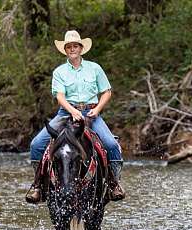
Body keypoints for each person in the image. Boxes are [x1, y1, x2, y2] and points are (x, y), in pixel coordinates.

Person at [25, 30, 126, 204]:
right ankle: (38, 185)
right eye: (69, 46)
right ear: (65, 50)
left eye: (75, 46)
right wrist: (71, 110)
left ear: (81, 48)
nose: (72, 49)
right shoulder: (59, 71)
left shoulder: (95, 68)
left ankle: (113, 183)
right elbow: (60, 97)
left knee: (111, 144)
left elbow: (107, 92)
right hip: (65, 114)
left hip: (91, 113)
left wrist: (98, 108)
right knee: (36, 145)